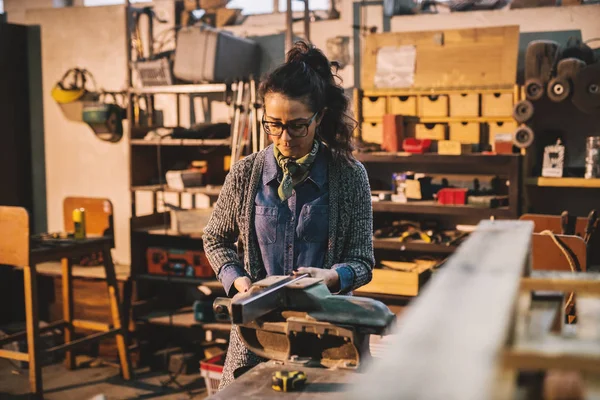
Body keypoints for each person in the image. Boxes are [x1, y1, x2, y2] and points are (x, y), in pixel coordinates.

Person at [202, 41, 374, 390]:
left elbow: (362, 262)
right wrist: (238, 280)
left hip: (327, 334)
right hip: (256, 336)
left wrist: (330, 276)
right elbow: (215, 238)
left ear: (319, 117)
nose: (284, 137)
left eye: (297, 126)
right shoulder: (245, 174)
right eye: (273, 125)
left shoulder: (349, 175)